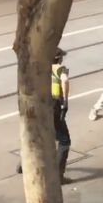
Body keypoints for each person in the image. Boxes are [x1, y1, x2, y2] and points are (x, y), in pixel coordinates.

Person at [16, 48, 73, 184]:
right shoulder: (58, 69)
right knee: (64, 141)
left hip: (36, 106)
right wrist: (65, 102)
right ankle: (58, 176)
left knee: (36, 136)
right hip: (53, 107)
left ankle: (23, 165)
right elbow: (64, 81)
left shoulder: (38, 69)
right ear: (58, 58)